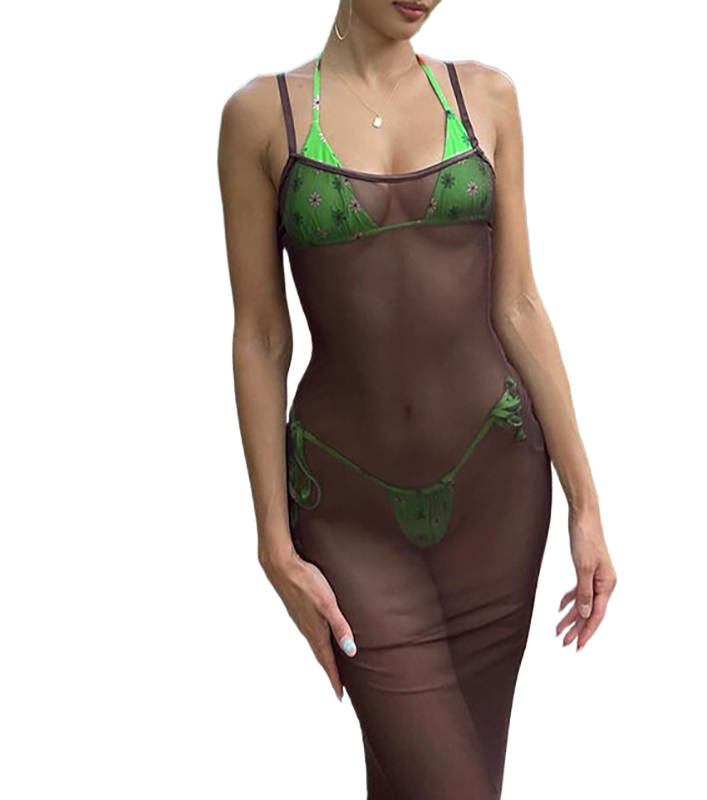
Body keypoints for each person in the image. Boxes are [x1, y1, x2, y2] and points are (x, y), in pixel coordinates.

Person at [217, 1, 617, 796]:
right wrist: (272, 543)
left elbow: (520, 306)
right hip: (348, 514)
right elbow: (261, 337)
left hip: (498, 501)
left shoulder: (487, 96)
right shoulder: (260, 116)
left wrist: (585, 504)